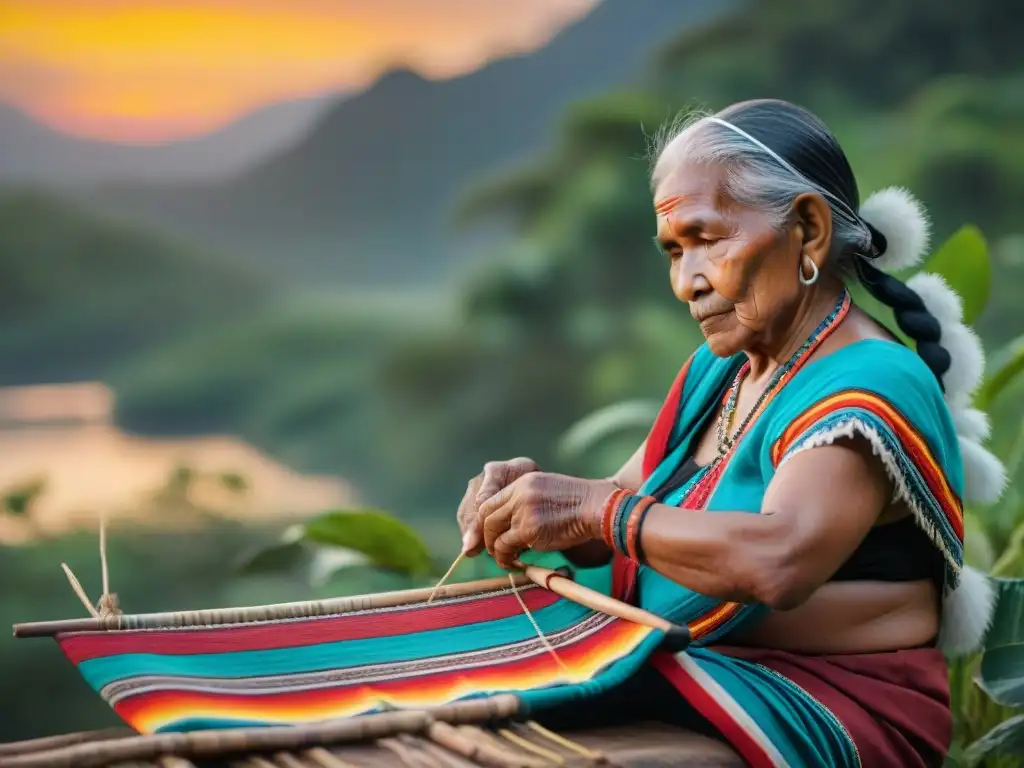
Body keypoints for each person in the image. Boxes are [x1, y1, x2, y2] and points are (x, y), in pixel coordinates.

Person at [454, 99, 1004, 767]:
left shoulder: (869, 384)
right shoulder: (722, 371)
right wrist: (538, 505)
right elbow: (621, 509)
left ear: (807, 229)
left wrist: (596, 511)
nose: (687, 283)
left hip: (827, 706)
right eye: (673, 250)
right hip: (708, 672)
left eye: (707, 239)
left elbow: (779, 559)